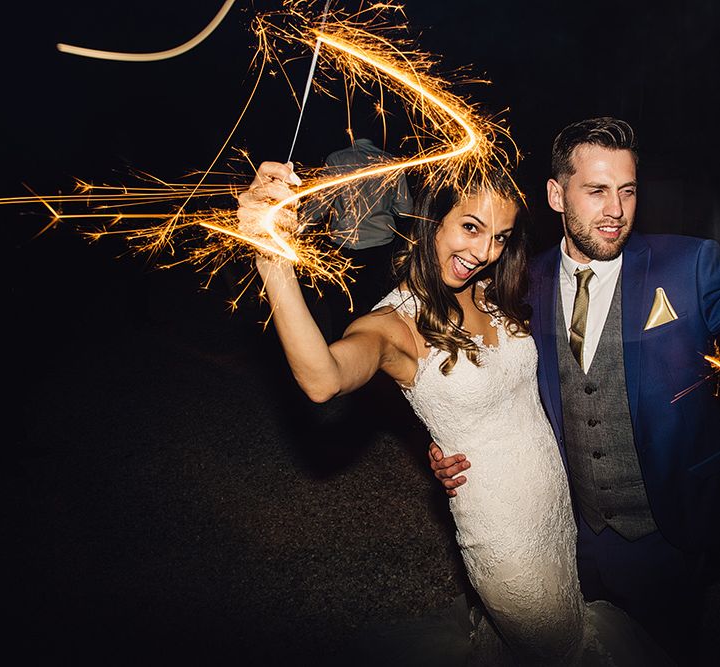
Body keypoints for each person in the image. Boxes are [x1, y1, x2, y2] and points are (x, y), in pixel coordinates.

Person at [239, 159, 668, 665]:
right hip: (501, 531)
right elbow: (322, 379)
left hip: (552, 506)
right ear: (430, 221)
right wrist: (273, 261)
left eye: (501, 238)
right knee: (557, 648)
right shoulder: (394, 325)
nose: (484, 252)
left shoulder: (492, 293)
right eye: (470, 227)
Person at [429, 117, 720, 661]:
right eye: (596, 191)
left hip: (668, 535)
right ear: (556, 195)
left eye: (628, 191)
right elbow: (486, 378)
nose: (616, 210)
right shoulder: (518, 284)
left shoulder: (692, 265)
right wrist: (452, 436)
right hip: (566, 534)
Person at [303, 137, 413, 340]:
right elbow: (405, 211)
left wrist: (298, 227)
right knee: (376, 310)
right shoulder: (390, 162)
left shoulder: (337, 158)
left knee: (341, 311)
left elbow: (320, 205)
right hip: (381, 248)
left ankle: (343, 357)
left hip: (344, 248)